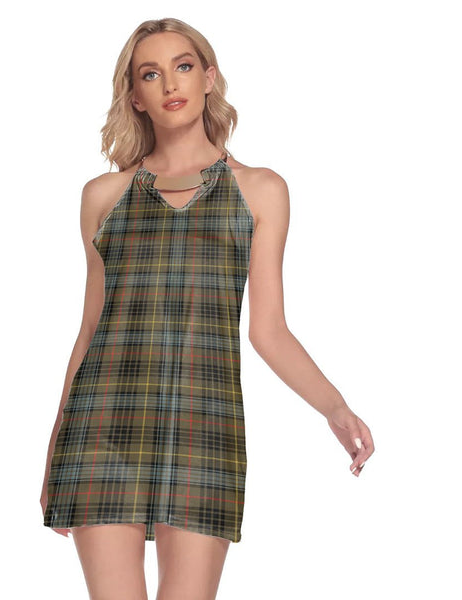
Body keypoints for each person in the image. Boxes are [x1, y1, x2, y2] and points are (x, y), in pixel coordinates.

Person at [40, 17, 375, 600]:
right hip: (102, 430)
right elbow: (91, 329)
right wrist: (54, 450)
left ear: (209, 77)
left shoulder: (259, 190)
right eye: (151, 74)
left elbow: (269, 331)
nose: (170, 83)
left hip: (205, 424)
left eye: (184, 66)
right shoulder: (103, 197)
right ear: (135, 96)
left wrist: (336, 408)